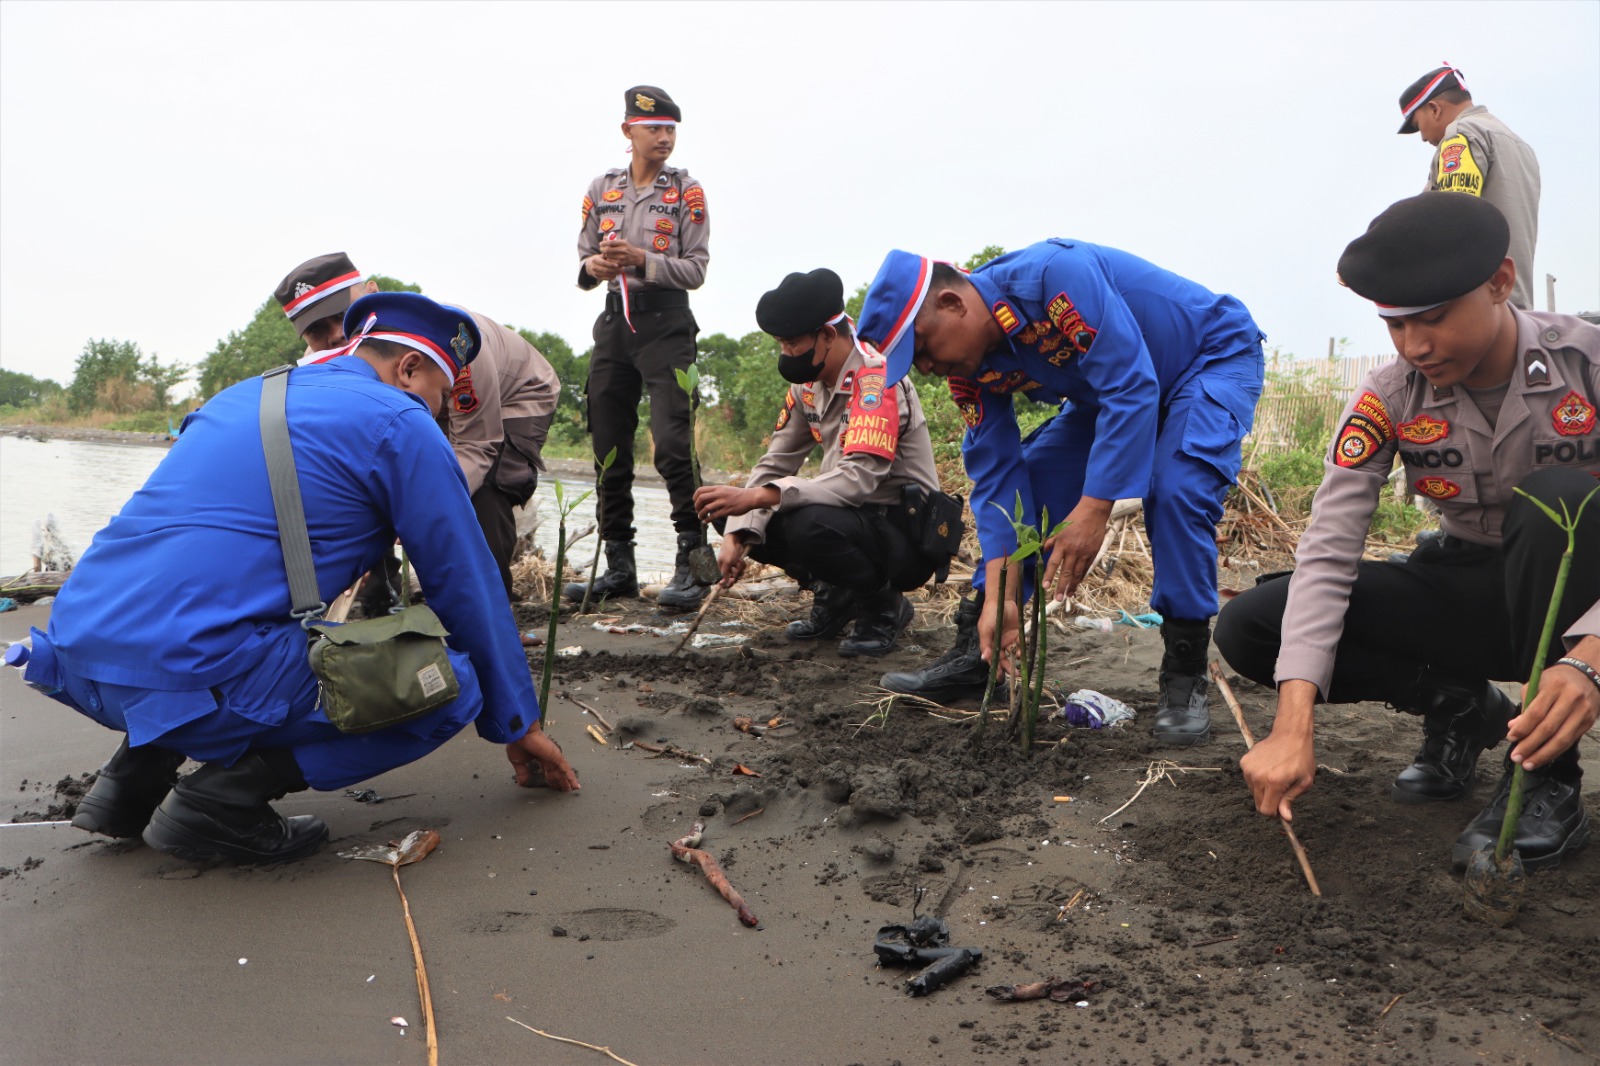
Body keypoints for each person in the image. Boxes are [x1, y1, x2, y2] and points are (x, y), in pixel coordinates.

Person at [24, 292, 579, 866]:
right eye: (442, 397)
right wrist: (515, 720)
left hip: (77, 654)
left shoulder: (242, 395)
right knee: (452, 683)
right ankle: (221, 801)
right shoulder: (401, 420)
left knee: (219, 609)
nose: (440, 415)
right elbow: (465, 585)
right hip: (188, 674)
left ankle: (128, 782)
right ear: (410, 369)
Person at [1215, 193, 1599, 870]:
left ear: (1500, 282)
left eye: (1434, 319)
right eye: (1395, 326)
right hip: (1474, 594)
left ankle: (1548, 779)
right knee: (1251, 626)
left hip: (1577, 604)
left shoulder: (1587, 364)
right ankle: (1461, 707)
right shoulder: (1390, 397)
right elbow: (1329, 551)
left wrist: (1589, 657)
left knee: (1555, 503)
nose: (1414, 346)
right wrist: (1291, 724)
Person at [859, 243, 1264, 743]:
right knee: (1035, 493)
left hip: (1202, 360)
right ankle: (979, 650)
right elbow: (995, 471)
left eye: (920, 348)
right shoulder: (970, 371)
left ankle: (1184, 671)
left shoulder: (1054, 279)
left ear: (951, 304)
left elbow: (1132, 386)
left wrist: (1095, 509)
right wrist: (1002, 593)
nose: (924, 367)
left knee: (1176, 491)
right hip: (1109, 395)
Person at [275, 253, 561, 600]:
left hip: (510, 396)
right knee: (365, 476)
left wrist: (417, 503)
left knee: (488, 485)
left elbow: (476, 444)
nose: (336, 335)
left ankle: (487, 599)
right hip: (425, 401)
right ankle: (381, 599)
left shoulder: (449, 338)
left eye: (341, 315)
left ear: (371, 291)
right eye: (318, 329)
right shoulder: (319, 365)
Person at [692, 268, 943, 657]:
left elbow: (859, 478)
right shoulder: (808, 385)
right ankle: (836, 593)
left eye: (792, 343)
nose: (785, 354)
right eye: (780, 343)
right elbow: (776, 461)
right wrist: (736, 534)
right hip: (850, 524)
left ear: (828, 334)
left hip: (903, 533)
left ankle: (884, 608)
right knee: (729, 507)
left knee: (803, 519)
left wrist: (761, 497)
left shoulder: (877, 378)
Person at [562, 85, 712, 611]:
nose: (665, 138)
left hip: (667, 323)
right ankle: (619, 567)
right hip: (614, 323)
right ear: (629, 131)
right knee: (607, 443)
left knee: (672, 446)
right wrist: (596, 267)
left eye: (671, 129)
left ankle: (694, 567)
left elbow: (695, 269)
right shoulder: (602, 188)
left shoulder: (686, 192)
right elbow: (583, 261)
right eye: (654, 129)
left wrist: (643, 259)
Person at [1397, 64, 1541, 310]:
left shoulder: (1461, 134)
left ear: (1434, 109)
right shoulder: (1517, 143)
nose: (1422, 137)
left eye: (1418, 125)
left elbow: (1454, 217)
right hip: (1513, 306)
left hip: (1476, 307)